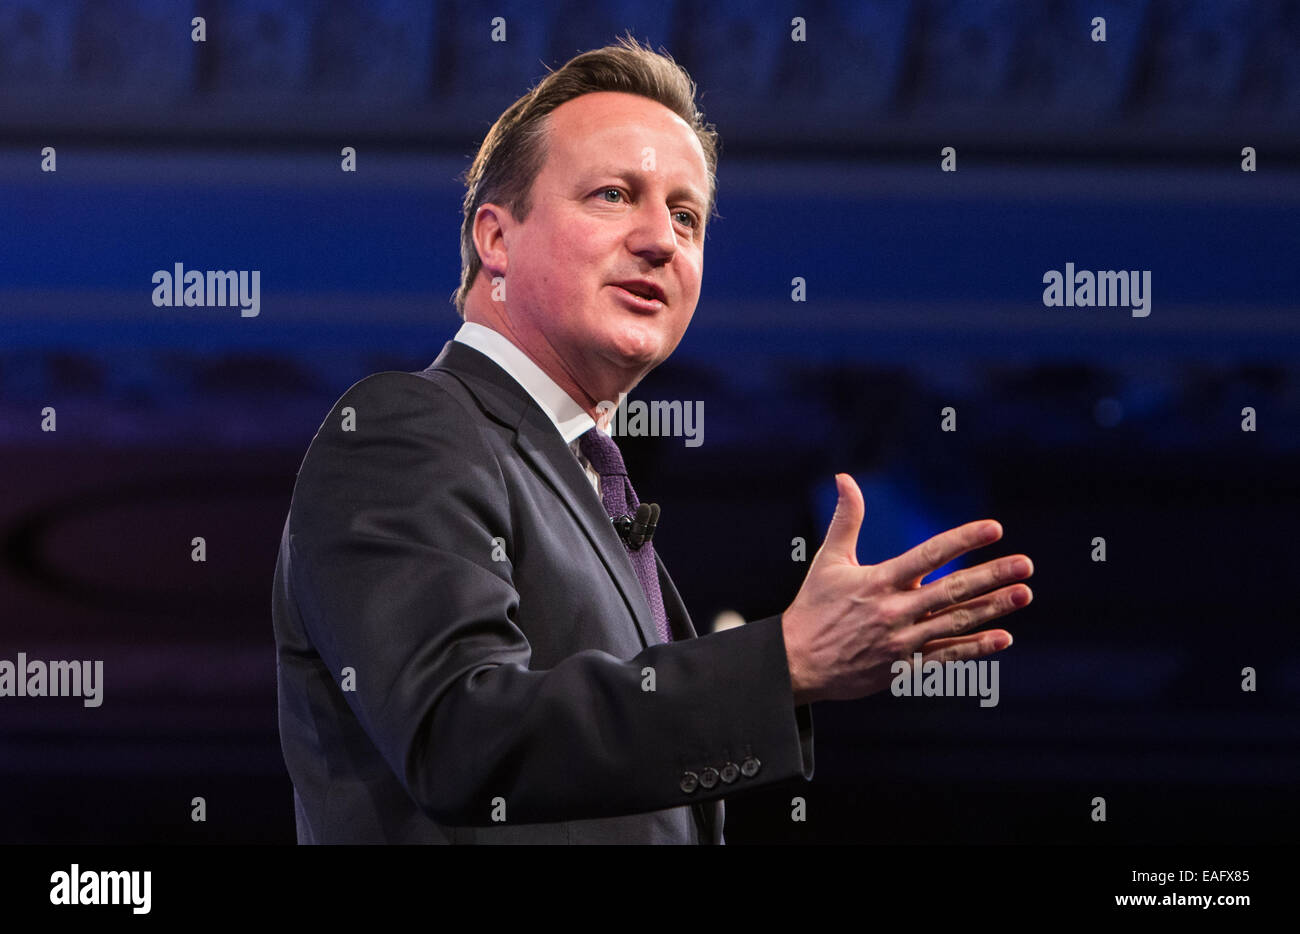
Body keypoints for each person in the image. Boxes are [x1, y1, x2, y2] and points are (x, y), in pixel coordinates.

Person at [271, 36, 1034, 845]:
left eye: (685, 216)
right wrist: (779, 664)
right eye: (612, 195)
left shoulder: (592, 491)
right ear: (497, 240)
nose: (662, 240)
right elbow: (459, 736)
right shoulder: (410, 427)